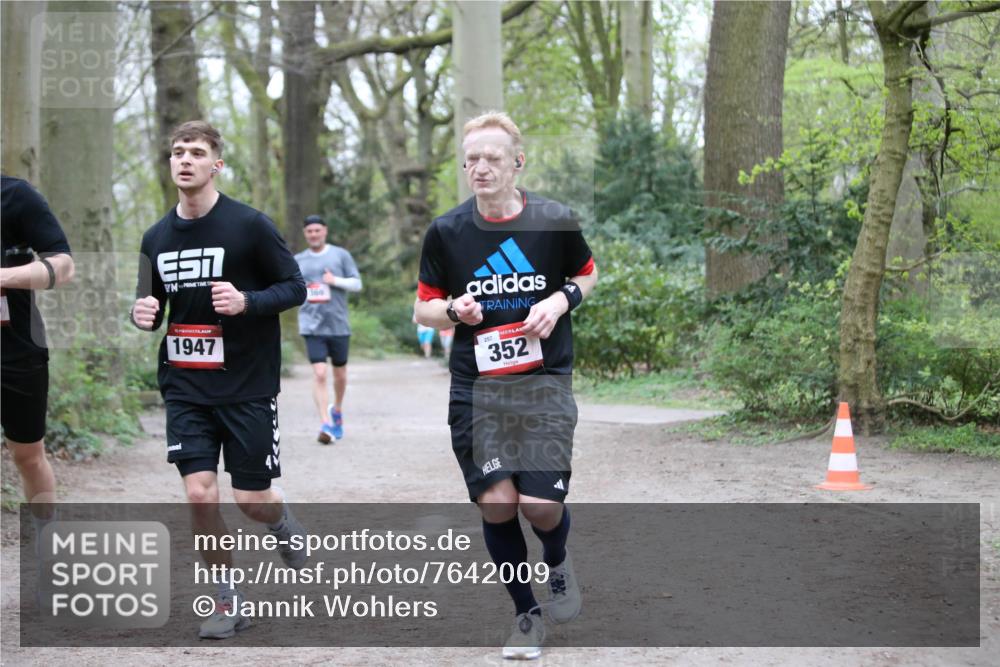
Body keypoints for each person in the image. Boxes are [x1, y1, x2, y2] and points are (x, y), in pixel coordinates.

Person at [414, 111, 598, 660]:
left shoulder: (554, 221)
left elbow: (586, 273)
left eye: (492, 158)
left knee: (540, 506)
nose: (480, 168)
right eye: (471, 159)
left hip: (543, 383)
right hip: (478, 391)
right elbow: (423, 310)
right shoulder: (447, 232)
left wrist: (561, 299)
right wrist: (451, 309)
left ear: (517, 162)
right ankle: (525, 616)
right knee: (497, 505)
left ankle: (557, 561)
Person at [129, 121, 308, 639]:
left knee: (252, 500)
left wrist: (248, 301)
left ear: (216, 164)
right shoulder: (154, 237)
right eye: (178, 152)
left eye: (197, 152)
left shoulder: (250, 225)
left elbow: (294, 286)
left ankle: (279, 520)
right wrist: (142, 313)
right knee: (201, 495)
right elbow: (151, 303)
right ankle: (227, 598)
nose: (185, 160)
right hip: (186, 385)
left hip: (248, 386)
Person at [0, 175, 75, 539]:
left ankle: (48, 543)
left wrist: (3, 276)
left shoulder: (16, 196)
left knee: (28, 455)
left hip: (16, 349)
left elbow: (63, 266)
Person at [294, 215, 362, 444]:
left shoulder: (340, 255)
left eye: (317, 230)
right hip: (311, 325)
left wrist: (335, 281)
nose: (313, 234)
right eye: (309, 231)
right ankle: (325, 423)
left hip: (338, 324)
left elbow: (357, 283)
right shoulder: (298, 260)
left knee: (340, 375)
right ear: (305, 234)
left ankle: (337, 410)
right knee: (320, 373)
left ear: (325, 231)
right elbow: (291, 288)